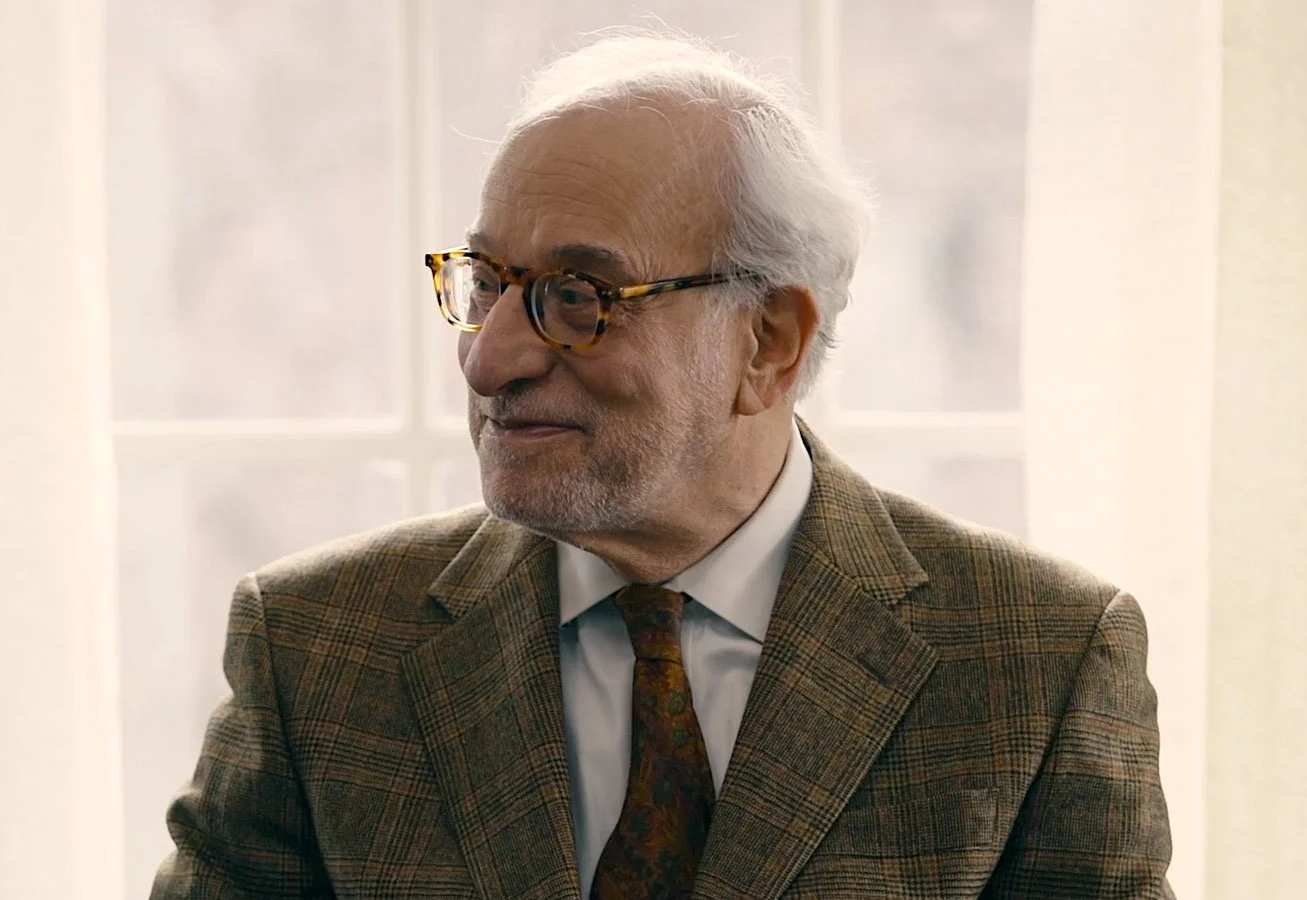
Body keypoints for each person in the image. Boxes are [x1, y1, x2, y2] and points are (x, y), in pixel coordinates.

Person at [151, 32, 1174, 900]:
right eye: (487, 284)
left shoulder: (1039, 664)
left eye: (578, 295)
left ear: (768, 341)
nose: (488, 355)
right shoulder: (316, 650)